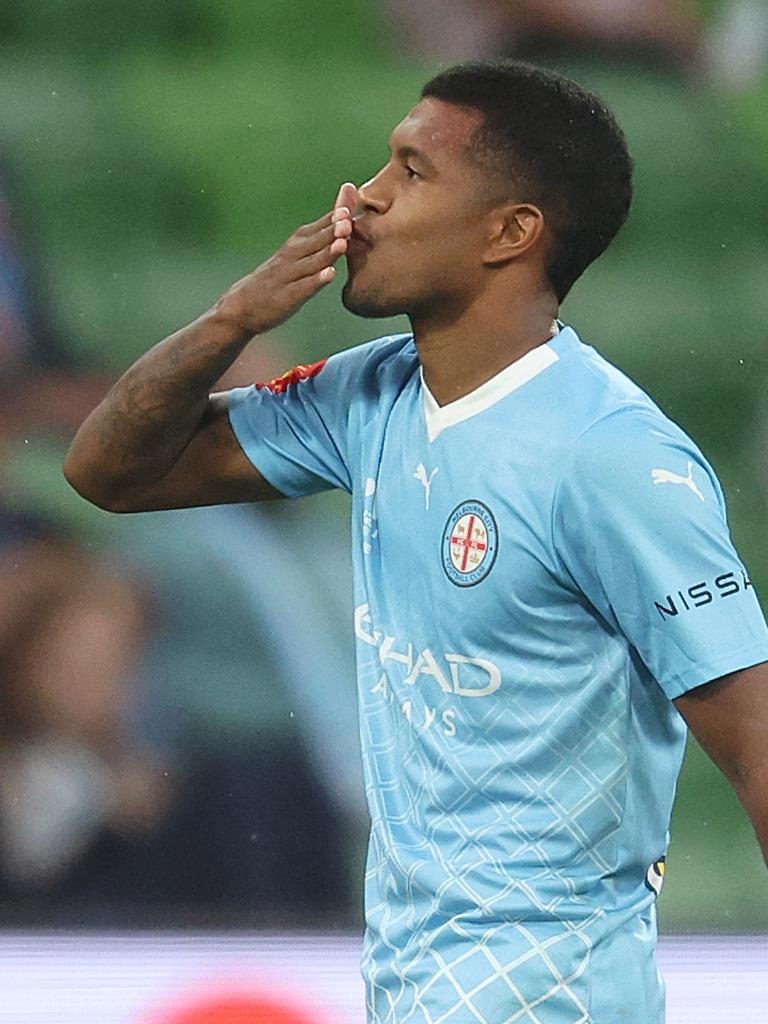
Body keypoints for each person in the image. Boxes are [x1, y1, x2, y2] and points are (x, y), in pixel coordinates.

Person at [64, 60, 768, 1023]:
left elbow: (756, 742)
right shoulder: (373, 395)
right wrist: (236, 317)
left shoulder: (613, 457)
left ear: (511, 232)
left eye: (411, 171)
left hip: (554, 993)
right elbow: (108, 472)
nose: (365, 200)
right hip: (410, 982)